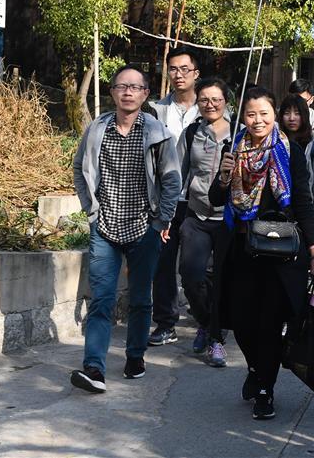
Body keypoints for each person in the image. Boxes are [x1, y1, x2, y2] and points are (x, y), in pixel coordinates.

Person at [209, 86, 314, 420]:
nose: (257, 120)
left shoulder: (290, 150)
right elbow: (216, 199)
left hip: (278, 251)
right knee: (242, 322)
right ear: (242, 117)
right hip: (240, 249)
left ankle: (265, 389)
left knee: (269, 323)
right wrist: (224, 177)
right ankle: (255, 368)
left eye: (264, 113)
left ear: (275, 115)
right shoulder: (234, 148)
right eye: (251, 114)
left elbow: (303, 200)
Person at [70, 65, 181, 393]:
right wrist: (90, 210)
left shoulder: (158, 133)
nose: (128, 92)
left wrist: (162, 220)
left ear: (145, 94)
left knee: (140, 298)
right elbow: (79, 168)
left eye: (135, 87)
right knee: (101, 299)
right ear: (112, 92)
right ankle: (94, 368)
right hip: (104, 226)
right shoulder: (97, 128)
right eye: (122, 86)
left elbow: (171, 180)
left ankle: (135, 356)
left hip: (144, 227)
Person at [177, 78, 233, 367]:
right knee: (191, 275)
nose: (210, 105)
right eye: (204, 100)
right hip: (196, 214)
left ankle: (215, 339)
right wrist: (165, 215)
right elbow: (177, 173)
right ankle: (206, 322)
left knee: (222, 281)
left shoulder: (240, 133)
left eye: (216, 99)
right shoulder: (191, 133)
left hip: (229, 218)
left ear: (226, 101)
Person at [148, 47, 201, 347]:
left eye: (184, 69)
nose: (178, 75)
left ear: (196, 73)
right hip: (165, 199)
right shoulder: (156, 110)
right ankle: (166, 323)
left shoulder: (210, 108)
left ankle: (208, 320)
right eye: (173, 69)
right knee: (163, 263)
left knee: (197, 268)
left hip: (199, 201)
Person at [280, 94, 314, 236]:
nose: (292, 118)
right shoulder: (274, 144)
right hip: (278, 212)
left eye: (297, 113)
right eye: (287, 113)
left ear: (305, 116)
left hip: (304, 212)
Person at [288, 78, 314, 157]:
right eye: (294, 99)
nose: (298, 104)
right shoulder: (280, 118)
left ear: (311, 100)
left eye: (303, 101)